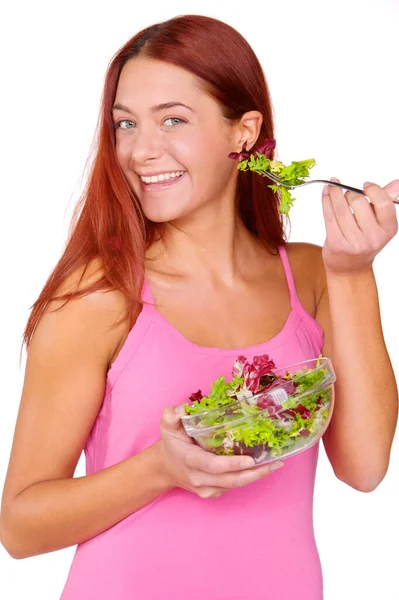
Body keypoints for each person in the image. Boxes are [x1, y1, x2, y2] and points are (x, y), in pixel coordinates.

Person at [0, 13, 398, 600]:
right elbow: (20, 526)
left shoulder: (313, 276)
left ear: (244, 132)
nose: (140, 150)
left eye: (173, 120)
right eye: (126, 124)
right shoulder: (101, 294)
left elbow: (363, 469)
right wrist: (161, 467)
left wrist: (354, 271)